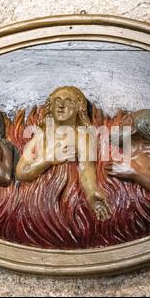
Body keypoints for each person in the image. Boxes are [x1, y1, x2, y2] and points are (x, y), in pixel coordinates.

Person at [15, 86, 112, 221]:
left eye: (69, 101)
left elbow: (86, 168)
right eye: (57, 101)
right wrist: (48, 159)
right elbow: (20, 173)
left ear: (79, 108)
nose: (61, 106)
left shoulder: (83, 137)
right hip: (38, 199)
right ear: (50, 107)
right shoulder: (40, 136)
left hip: (66, 198)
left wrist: (92, 194)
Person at [105, 109, 150, 197]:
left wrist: (134, 170)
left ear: (134, 130)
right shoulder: (120, 150)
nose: (121, 121)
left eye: (128, 119)